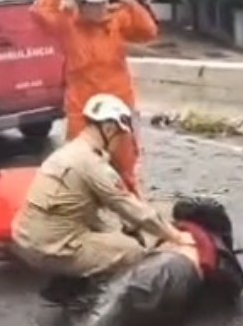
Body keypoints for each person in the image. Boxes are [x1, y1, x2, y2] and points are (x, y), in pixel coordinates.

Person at [11, 196, 243, 326]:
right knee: (100, 306)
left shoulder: (189, 235)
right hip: (169, 290)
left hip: (168, 269)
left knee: (113, 299)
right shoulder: (214, 249)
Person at [11, 93, 193, 279]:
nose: (120, 141)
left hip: (26, 239)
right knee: (132, 251)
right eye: (120, 135)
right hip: (51, 249)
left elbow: (93, 216)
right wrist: (177, 237)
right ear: (108, 129)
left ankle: (68, 287)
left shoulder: (67, 152)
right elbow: (132, 209)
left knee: (109, 237)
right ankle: (100, 302)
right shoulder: (92, 164)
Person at [31, 0, 158, 194]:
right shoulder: (66, 23)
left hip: (120, 106)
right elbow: (38, 12)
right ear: (80, 0)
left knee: (126, 171)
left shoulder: (117, 17)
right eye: (94, 5)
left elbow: (148, 32)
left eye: (103, 3)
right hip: (83, 110)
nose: (100, 9)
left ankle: (134, 221)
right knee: (79, 171)